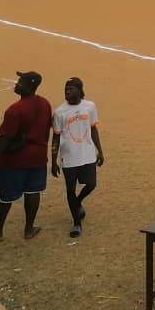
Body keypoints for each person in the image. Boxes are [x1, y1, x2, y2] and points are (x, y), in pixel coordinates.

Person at [0, 71, 52, 243]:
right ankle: (29, 229)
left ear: (29, 86)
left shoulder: (15, 110)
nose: (16, 84)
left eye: (20, 81)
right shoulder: (45, 103)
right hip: (38, 157)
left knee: (4, 196)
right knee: (33, 191)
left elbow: (5, 138)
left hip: (15, 160)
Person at [51, 76, 104, 237]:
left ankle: (78, 201)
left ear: (80, 91)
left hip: (87, 154)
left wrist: (100, 150)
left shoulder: (90, 106)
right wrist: (53, 160)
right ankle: (76, 223)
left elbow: (94, 129)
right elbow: (56, 137)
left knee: (91, 184)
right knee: (70, 190)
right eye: (65, 88)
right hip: (69, 157)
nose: (67, 90)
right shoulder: (59, 112)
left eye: (71, 88)